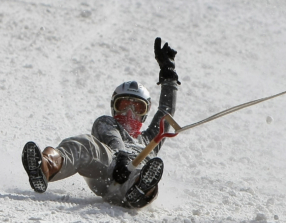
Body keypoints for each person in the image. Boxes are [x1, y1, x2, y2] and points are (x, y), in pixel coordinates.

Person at [21, 38, 180, 208]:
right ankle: (46, 166)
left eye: (137, 108)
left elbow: (166, 111)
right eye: (124, 106)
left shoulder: (150, 141)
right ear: (114, 107)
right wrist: (120, 157)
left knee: (145, 167)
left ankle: (141, 189)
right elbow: (111, 138)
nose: (129, 114)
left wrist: (168, 73)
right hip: (106, 171)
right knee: (84, 143)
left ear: (145, 114)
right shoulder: (107, 122)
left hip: (131, 182)